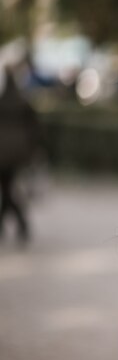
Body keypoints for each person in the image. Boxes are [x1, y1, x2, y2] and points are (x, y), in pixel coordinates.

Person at [0, 65, 40, 246]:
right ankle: (20, 224)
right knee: (8, 188)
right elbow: (35, 130)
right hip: (18, 154)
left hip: (3, 154)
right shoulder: (23, 102)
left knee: (7, 189)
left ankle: (21, 224)